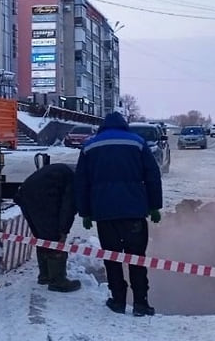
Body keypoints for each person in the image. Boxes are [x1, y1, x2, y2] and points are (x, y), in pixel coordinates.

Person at [74, 112, 164, 316]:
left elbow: (81, 182)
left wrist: (85, 212)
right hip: (135, 213)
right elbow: (153, 176)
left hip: (105, 214)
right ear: (124, 125)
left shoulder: (90, 146)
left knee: (112, 258)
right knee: (136, 259)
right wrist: (154, 206)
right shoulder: (138, 143)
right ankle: (141, 304)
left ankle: (118, 301)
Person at [13, 156, 80, 293]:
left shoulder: (68, 171)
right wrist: (63, 232)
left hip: (25, 195)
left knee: (42, 237)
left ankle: (45, 275)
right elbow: (67, 208)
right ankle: (57, 281)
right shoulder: (76, 180)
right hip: (41, 198)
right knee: (54, 237)